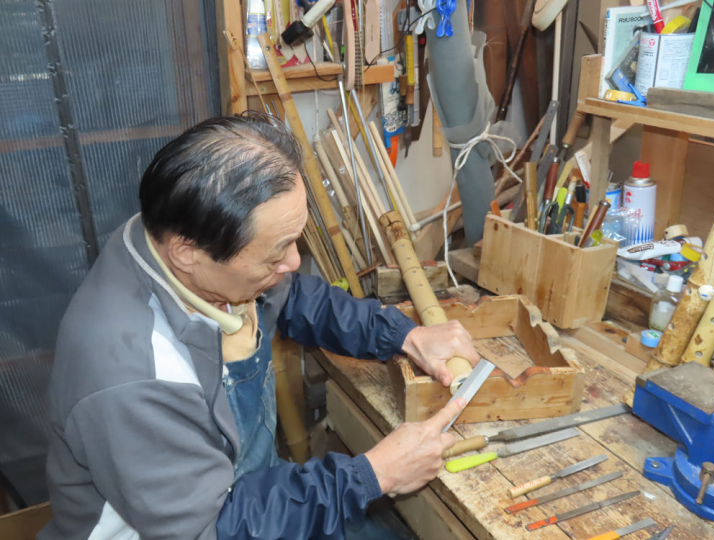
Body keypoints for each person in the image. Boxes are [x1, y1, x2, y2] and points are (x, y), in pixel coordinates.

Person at [40, 113, 480, 539]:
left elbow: (295, 297)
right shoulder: (133, 376)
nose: (293, 262)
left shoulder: (183, 237)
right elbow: (213, 531)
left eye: (292, 242)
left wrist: (403, 335)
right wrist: (374, 474)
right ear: (187, 252)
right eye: (275, 253)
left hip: (250, 498)